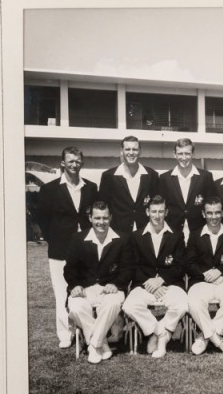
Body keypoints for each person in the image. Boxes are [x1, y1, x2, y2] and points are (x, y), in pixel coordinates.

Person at [36, 146, 98, 348]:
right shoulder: (49, 189)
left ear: (82, 163)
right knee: (62, 292)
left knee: (85, 291)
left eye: (77, 161)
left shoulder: (91, 188)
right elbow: (43, 220)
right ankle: (65, 333)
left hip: (85, 251)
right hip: (59, 250)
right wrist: (54, 238)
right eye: (70, 161)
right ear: (62, 163)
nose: (74, 164)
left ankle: (91, 331)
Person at [63, 202, 130, 364]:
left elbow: (128, 269)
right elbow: (69, 269)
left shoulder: (122, 239)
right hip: (85, 289)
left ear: (111, 218)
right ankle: (102, 342)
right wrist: (75, 285)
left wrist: (117, 284)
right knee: (77, 307)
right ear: (90, 218)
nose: (102, 222)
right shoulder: (78, 239)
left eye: (105, 218)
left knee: (113, 303)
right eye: (97, 218)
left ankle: (93, 344)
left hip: (110, 289)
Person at [122, 195, 188, 358]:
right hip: (144, 284)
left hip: (169, 284)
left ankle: (159, 338)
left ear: (166, 212)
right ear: (147, 212)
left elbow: (181, 265)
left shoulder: (177, 235)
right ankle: (160, 333)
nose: (157, 215)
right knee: (129, 306)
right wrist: (148, 282)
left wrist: (161, 280)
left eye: (160, 211)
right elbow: (131, 266)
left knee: (182, 305)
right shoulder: (136, 236)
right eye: (153, 211)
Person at [185, 197, 223, 355]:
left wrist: (221, 272)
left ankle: (204, 337)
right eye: (209, 213)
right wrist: (205, 275)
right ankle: (218, 340)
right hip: (202, 282)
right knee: (194, 302)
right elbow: (189, 263)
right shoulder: (195, 235)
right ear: (203, 214)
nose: (214, 217)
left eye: (217, 212)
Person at [97, 136, 159, 234]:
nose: (131, 153)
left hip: (145, 233)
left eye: (135, 149)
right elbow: (103, 207)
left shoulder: (152, 175)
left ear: (140, 151)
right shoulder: (108, 176)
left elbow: (156, 206)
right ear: (121, 151)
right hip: (118, 233)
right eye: (127, 149)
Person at [158, 138, 217, 240]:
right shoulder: (164, 178)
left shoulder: (206, 177)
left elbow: (212, 206)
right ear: (174, 154)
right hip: (173, 234)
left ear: (193, 154)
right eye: (180, 154)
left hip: (199, 234)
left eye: (187, 153)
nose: (184, 158)